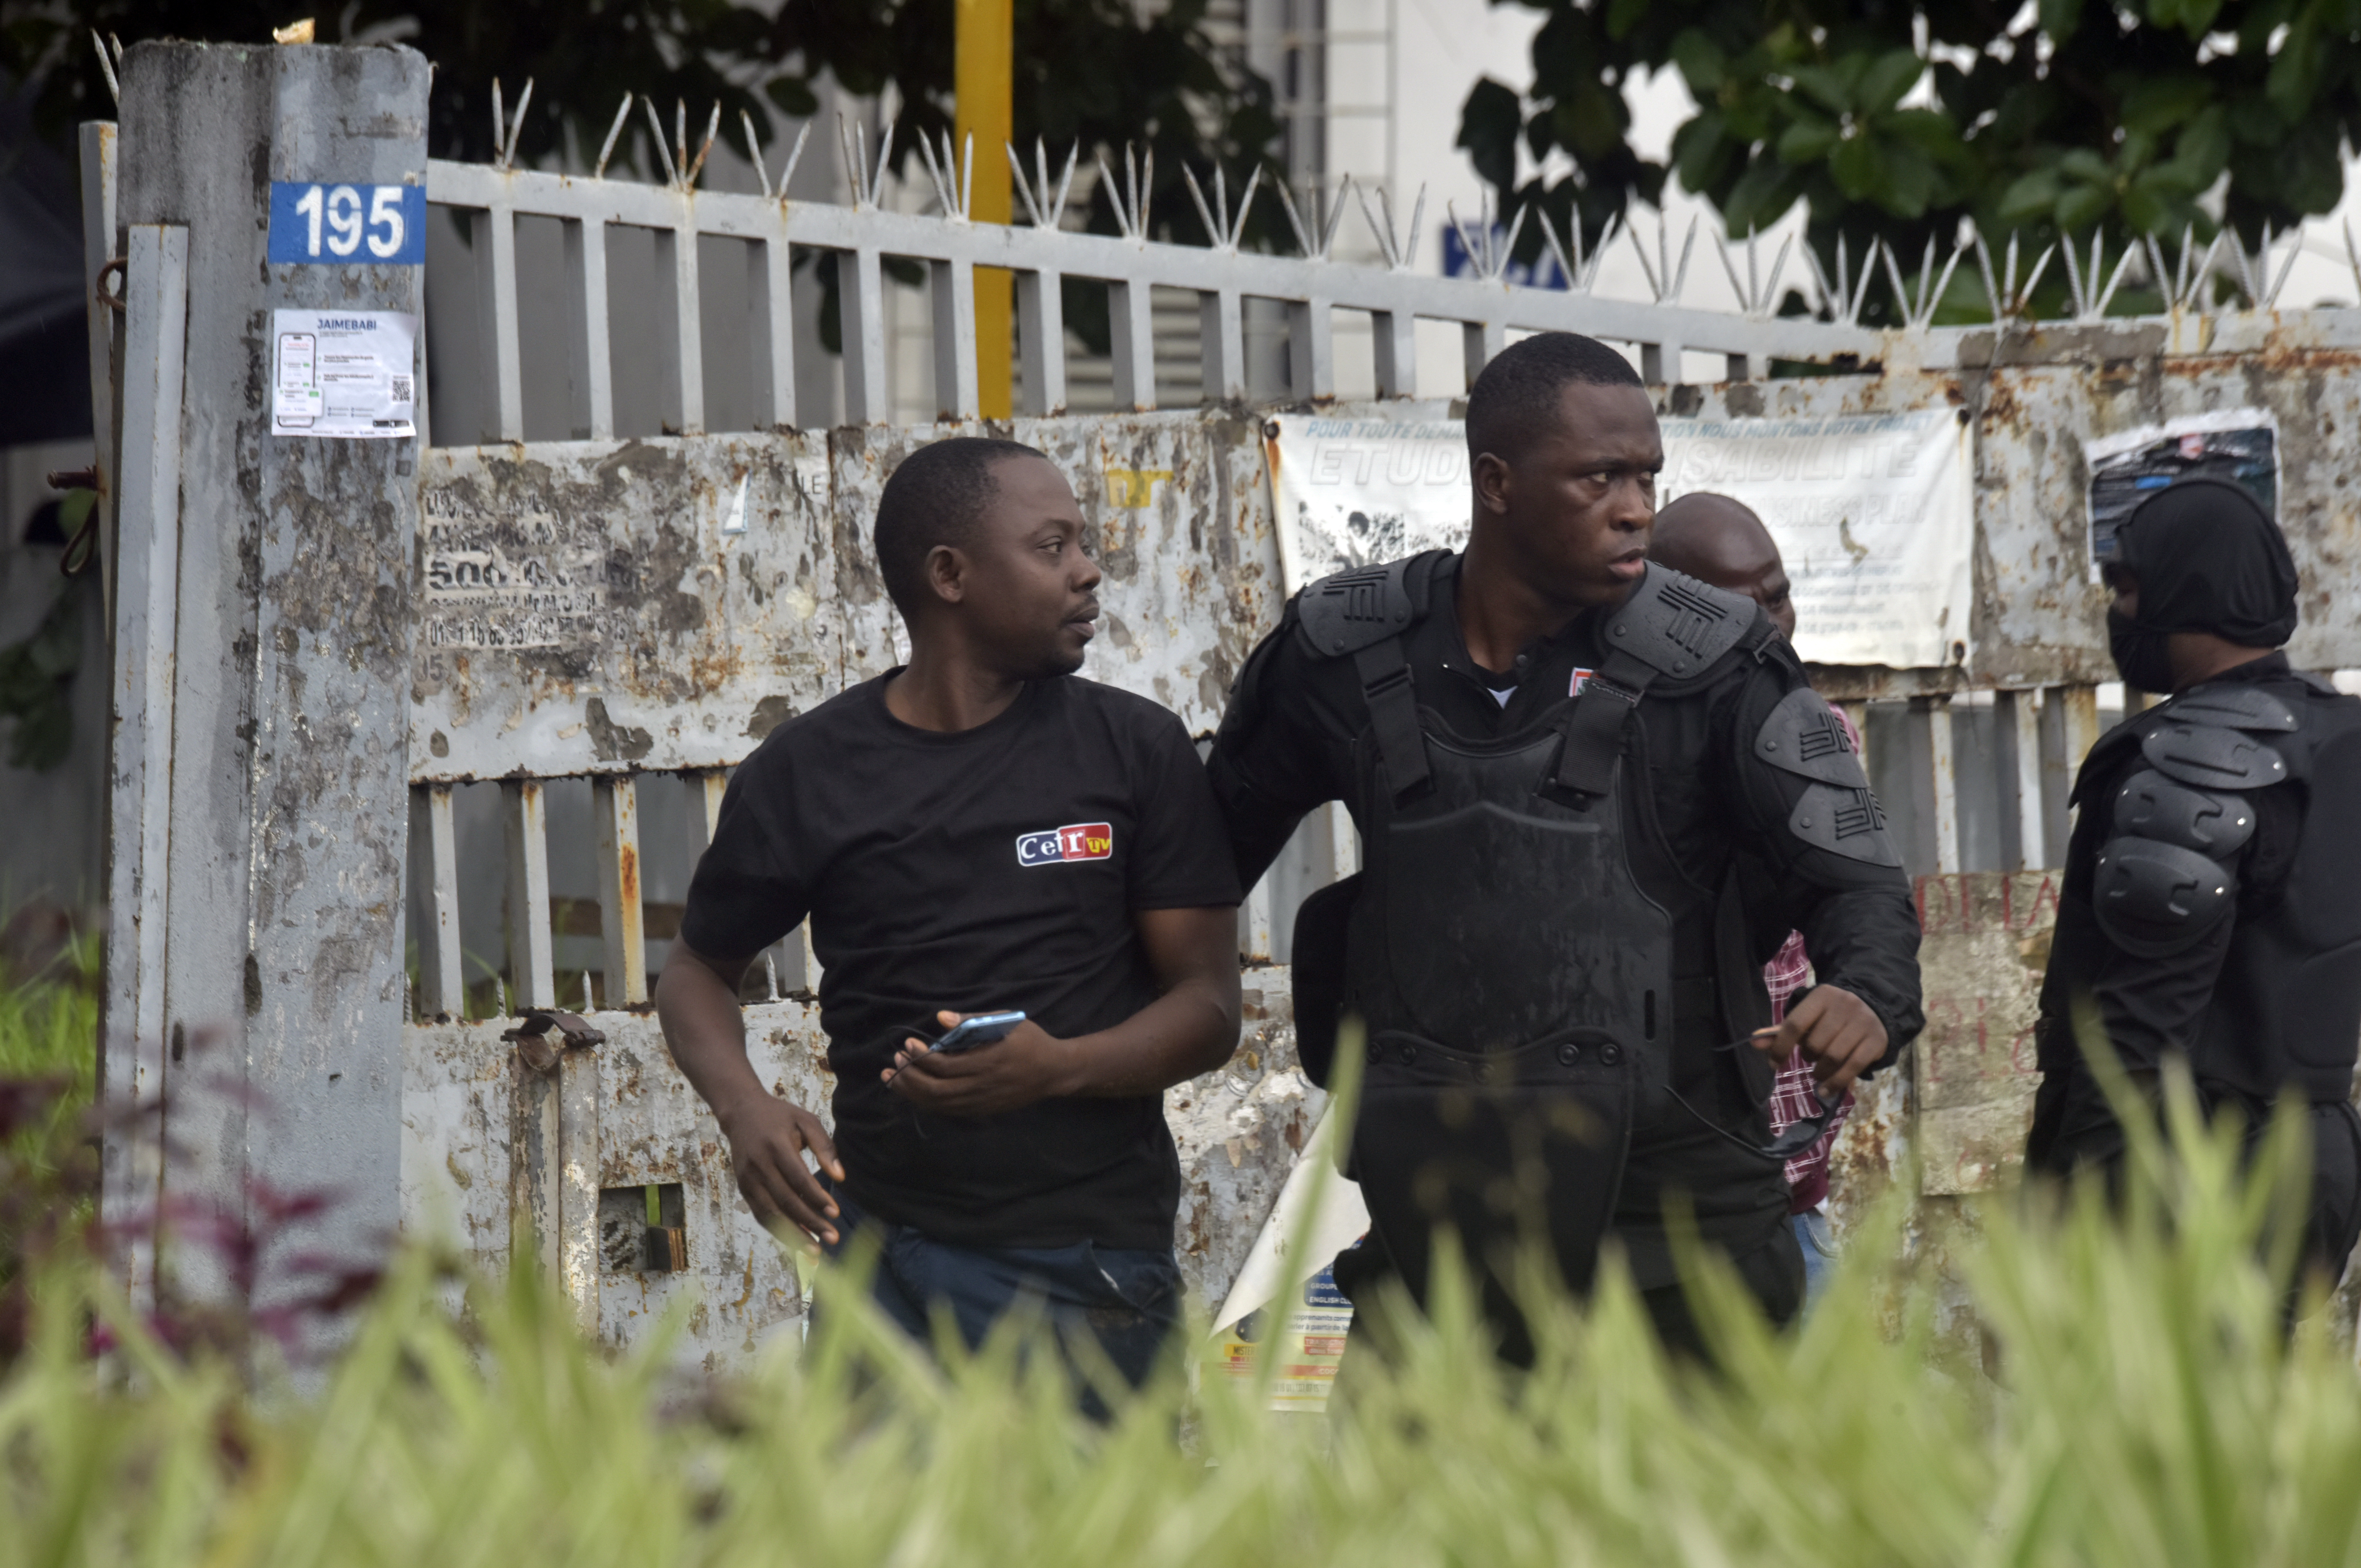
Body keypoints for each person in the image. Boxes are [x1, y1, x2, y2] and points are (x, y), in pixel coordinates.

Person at [1208, 333, 1923, 1363]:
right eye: (1601, 478)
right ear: (1496, 482)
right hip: (1438, 1227)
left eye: (1646, 478)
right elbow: (1194, 873)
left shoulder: (1723, 661)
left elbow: (1858, 878)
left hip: (1682, 1232)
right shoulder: (1342, 650)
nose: (1637, 507)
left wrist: (1867, 993)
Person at [657, 437, 1243, 1398]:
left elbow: (1210, 1009)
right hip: (883, 1266)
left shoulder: (1135, 750)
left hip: (1088, 1260)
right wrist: (744, 1107)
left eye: (1082, 544)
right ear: (950, 576)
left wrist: (1060, 1068)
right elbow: (696, 970)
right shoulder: (809, 772)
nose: (1089, 571)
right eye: (1053, 547)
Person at [2026, 478, 2361, 1291]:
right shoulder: (2343, 735)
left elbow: (2134, 1037)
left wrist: (2051, 1233)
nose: (2117, 611)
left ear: (2191, 588)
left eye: (2127, 589)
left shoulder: (2181, 763)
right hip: (2317, 1160)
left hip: (2186, 1178)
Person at [1648, 491, 1861, 1311]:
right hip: (1651, 1213)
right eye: (1741, 607)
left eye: (1777, 595)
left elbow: (1857, 905)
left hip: (1784, 1202)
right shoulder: (1606, 748)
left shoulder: (1820, 737)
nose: (1772, 625)